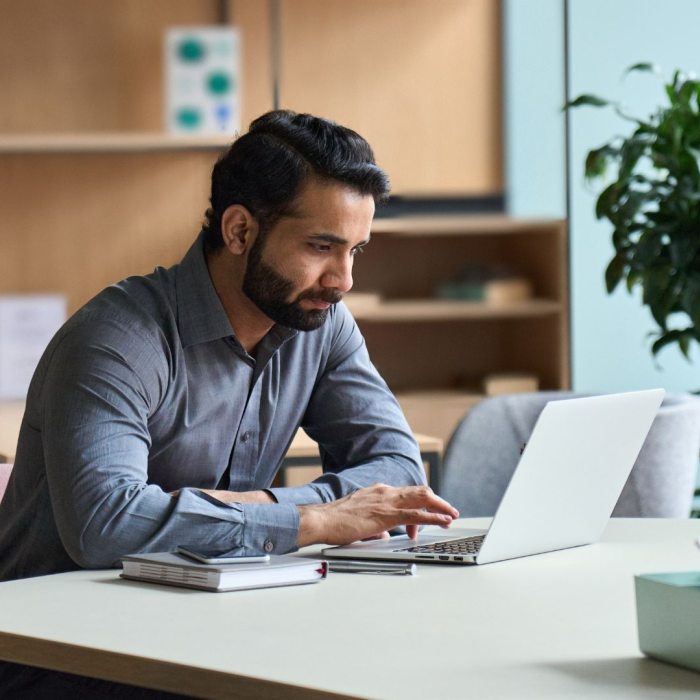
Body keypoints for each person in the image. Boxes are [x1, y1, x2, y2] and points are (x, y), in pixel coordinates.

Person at [0, 110, 458, 587]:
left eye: (355, 250)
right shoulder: (115, 339)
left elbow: (401, 473)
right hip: (54, 638)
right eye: (321, 248)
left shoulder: (322, 323)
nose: (343, 281)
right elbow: (106, 526)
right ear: (239, 231)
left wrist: (259, 508)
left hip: (205, 614)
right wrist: (316, 520)